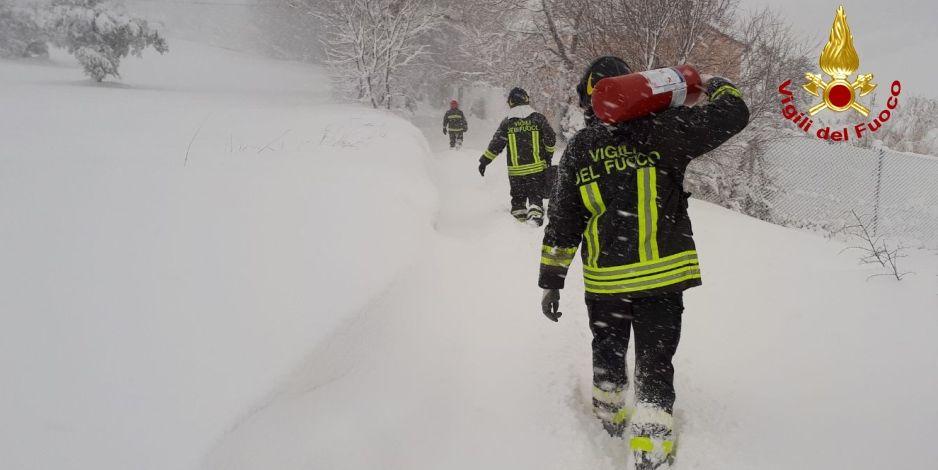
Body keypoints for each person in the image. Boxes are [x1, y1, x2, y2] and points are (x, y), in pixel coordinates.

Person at [538, 57, 749, 469]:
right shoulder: (667, 131)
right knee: (655, 364)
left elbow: (563, 222)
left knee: (608, 352)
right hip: (662, 279)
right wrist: (712, 83)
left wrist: (552, 280)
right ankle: (651, 447)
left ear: (589, 98)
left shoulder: (580, 149)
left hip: (607, 283)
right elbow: (734, 113)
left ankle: (609, 418)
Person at [478, 87, 557, 226]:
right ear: (526, 99)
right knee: (535, 196)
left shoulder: (508, 122)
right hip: (537, 169)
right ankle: (535, 211)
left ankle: (518, 215)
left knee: (518, 198)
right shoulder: (538, 118)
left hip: (516, 172)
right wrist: (548, 155)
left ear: (510, 102)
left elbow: (496, 144)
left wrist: (484, 161)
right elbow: (551, 138)